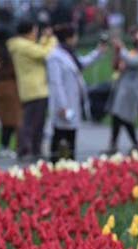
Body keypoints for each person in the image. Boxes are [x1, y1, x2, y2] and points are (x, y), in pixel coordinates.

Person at [46, 23, 104, 162]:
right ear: (69, 38)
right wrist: (62, 106)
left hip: (72, 101)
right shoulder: (54, 57)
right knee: (60, 136)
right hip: (63, 103)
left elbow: (80, 63)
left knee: (71, 135)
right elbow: (56, 84)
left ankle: (69, 166)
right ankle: (56, 166)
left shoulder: (69, 53)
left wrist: (98, 52)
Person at [8, 21, 56, 161]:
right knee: (34, 124)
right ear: (28, 32)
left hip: (31, 89)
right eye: (35, 31)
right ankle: (29, 150)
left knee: (33, 122)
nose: (36, 34)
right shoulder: (23, 46)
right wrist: (52, 39)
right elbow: (45, 53)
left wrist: (45, 39)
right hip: (36, 89)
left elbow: (38, 48)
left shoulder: (19, 45)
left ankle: (31, 149)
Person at [106, 30, 138, 154]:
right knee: (119, 117)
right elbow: (121, 64)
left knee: (125, 118)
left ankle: (133, 144)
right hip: (126, 90)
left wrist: (121, 48)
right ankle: (117, 144)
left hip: (131, 92)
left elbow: (130, 61)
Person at [0, 10, 21, 158]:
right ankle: (7, 146)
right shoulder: (9, 52)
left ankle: (5, 146)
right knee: (12, 119)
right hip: (11, 85)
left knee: (6, 119)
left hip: (2, 86)